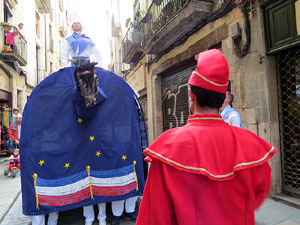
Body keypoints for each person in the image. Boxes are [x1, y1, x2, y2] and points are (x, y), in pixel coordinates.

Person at [136, 49, 277, 225]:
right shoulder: (252, 147)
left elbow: (153, 218)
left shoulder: (167, 149)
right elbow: (258, 195)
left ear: (191, 95)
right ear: (223, 99)